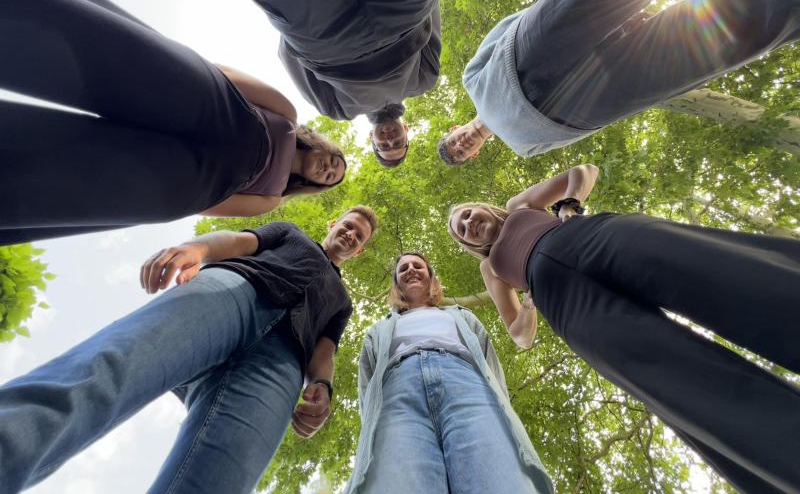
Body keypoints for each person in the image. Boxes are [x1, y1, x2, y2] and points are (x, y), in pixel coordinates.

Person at [447, 164, 800, 493]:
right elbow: (519, 335)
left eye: (466, 215)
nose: (467, 224)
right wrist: (528, 303)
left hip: (591, 238)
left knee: (711, 269)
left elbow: (584, 171)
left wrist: (569, 207)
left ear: (481, 208)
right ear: (469, 245)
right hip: (566, 305)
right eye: (461, 231)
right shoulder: (492, 269)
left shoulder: (519, 204)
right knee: (672, 379)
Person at [0, 205, 379, 494]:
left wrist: (323, 387)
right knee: (112, 369)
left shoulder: (342, 302)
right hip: (232, 294)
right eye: (348, 226)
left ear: (360, 251)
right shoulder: (291, 233)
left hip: (283, 363)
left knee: (223, 474)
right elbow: (239, 241)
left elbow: (325, 349)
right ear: (333, 224)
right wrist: (196, 248)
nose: (350, 235)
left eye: (358, 237)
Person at [0, 0, 347, 246]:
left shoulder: (273, 199)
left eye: (331, 177)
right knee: (92, 50)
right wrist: (184, 69)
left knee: (72, 176)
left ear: (316, 186)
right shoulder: (288, 114)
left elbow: (212, 205)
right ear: (323, 146)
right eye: (335, 161)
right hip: (209, 105)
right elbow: (228, 76)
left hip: (194, 178)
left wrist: (186, 189)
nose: (328, 169)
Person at [438, 0, 799, 164]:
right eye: (460, 154)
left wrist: (560, 7)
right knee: (708, 43)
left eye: (452, 143)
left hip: (528, 51)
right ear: (474, 156)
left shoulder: (471, 80)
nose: (460, 146)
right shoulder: (525, 148)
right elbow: (579, 136)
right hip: (585, 105)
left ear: (454, 129)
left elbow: (505, 28)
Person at [192, 0, 457, 166]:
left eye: (384, 146)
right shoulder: (424, 80)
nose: (390, 139)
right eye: (398, 143)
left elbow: (289, 56)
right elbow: (431, 13)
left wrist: (303, 26)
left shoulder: (337, 109)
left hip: (326, 38)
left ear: (371, 139)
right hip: (402, 14)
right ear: (407, 131)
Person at [346, 252, 553, 494]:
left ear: (431, 279)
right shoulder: (379, 329)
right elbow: (367, 383)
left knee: (497, 475)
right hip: (398, 395)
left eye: (417, 266)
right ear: (397, 285)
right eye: (403, 269)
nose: (411, 270)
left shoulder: (462, 316)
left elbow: (489, 364)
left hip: (466, 386)